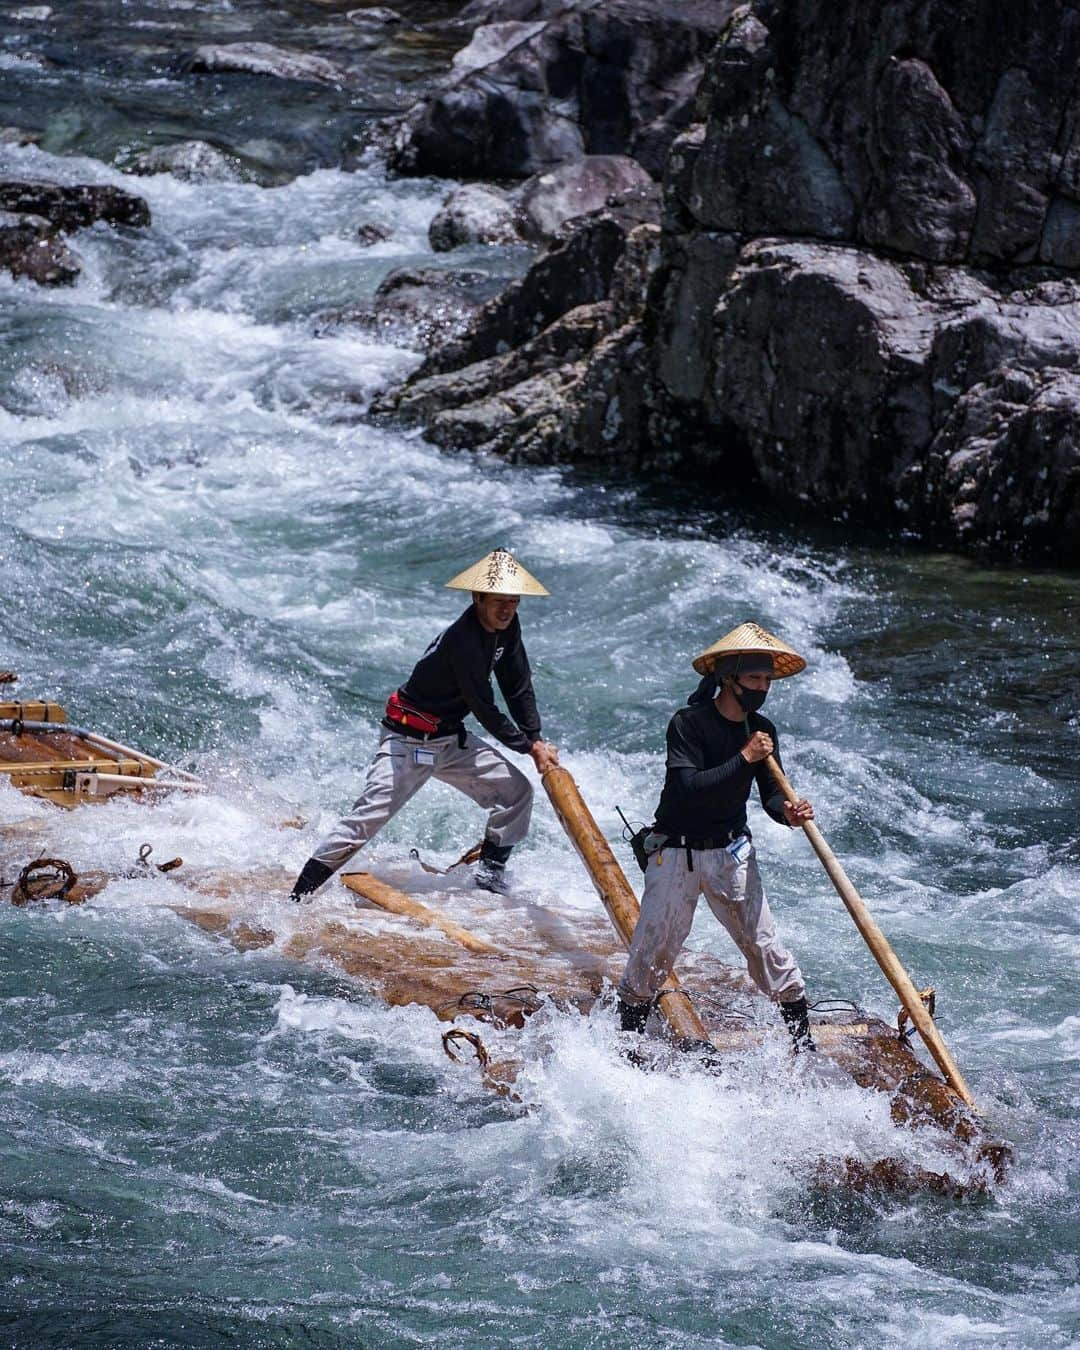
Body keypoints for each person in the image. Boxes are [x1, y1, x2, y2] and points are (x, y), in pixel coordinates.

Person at [288, 548, 559, 902]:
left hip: (449, 738)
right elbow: (483, 706)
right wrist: (529, 748)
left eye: (513, 600)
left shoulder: (507, 627)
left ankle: (489, 882)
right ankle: (297, 899)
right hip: (408, 739)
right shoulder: (464, 638)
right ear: (478, 598)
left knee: (516, 794)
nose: (506, 609)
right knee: (366, 821)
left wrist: (535, 736)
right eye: (498, 601)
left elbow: (517, 683)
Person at [617, 621, 816, 1050]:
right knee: (653, 953)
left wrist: (789, 812)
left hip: (730, 852)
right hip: (677, 851)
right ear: (729, 679)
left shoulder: (762, 730)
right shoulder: (688, 724)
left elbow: (768, 797)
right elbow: (689, 790)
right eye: (754, 678)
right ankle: (628, 1045)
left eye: (767, 679)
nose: (762, 686)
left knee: (767, 951)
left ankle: (803, 1047)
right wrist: (745, 757)